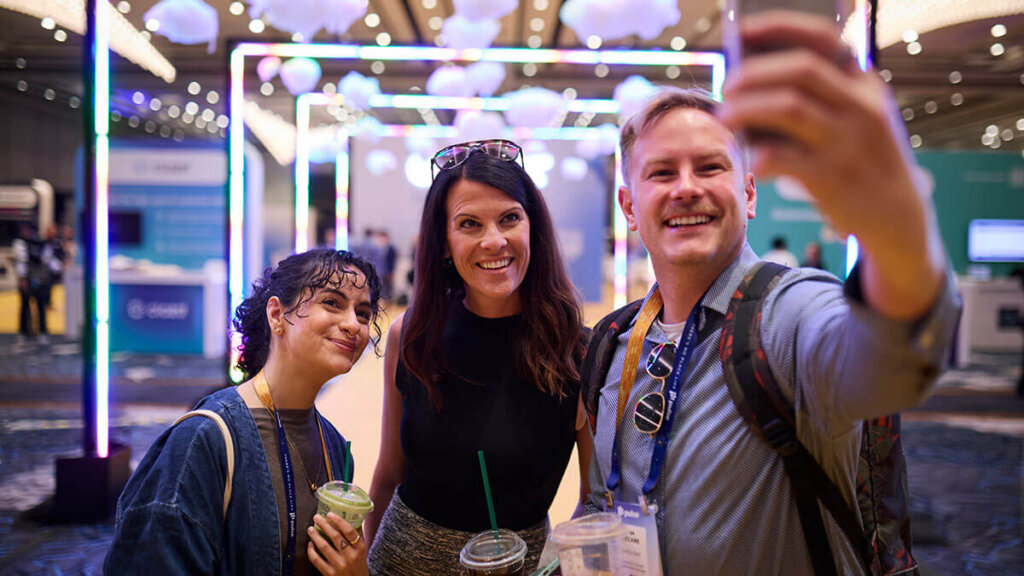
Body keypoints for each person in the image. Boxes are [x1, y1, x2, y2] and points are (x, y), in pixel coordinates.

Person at [584, 13, 960, 576]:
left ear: (749, 193)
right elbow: (601, 505)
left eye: (710, 166)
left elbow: (894, 361)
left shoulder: (786, 314)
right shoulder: (613, 342)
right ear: (630, 207)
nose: (686, 187)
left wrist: (898, 225)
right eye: (661, 172)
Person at [364, 139, 591, 574]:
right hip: (400, 565)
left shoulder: (578, 351)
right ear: (445, 243)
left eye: (510, 219)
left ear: (533, 229)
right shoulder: (410, 335)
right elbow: (389, 472)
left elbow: (594, 497)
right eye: (469, 224)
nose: (494, 241)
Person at [106, 249, 384, 576]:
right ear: (277, 314)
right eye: (332, 303)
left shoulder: (334, 446)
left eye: (363, 313)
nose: (353, 324)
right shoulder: (206, 439)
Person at [12, 223, 54, 344]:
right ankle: (26, 332)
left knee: (37, 306)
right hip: (33, 278)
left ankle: (40, 332)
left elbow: (46, 261)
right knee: (27, 306)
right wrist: (23, 278)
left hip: (37, 279)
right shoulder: (23, 244)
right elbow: (22, 262)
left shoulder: (38, 244)